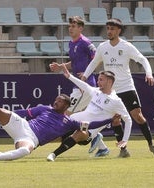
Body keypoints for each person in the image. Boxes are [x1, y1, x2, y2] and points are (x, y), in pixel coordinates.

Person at [0, 94, 112, 162]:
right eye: (56, 99)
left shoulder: (69, 121)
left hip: (31, 139)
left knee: (26, 151)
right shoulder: (44, 108)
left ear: (66, 105)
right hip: (22, 125)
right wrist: (3, 116)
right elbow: (23, 112)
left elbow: (90, 126)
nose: (56, 101)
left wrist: (110, 118)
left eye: (60, 101)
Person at [82, 18, 154, 157]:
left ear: (119, 30)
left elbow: (142, 59)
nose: (109, 31)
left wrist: (149, 73)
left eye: (112, 29)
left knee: (138, 116)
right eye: (108, 29)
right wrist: (84, 77)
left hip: (127, 87)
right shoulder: (102, 47)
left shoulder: (126, 46)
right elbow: (94, 62)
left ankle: (151, 145)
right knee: (116, 119)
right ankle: (123, 150)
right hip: (111, 91)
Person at [46, 64, 132, 161]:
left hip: (89, 131)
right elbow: (84, 85)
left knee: (80, 133)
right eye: (98, 79)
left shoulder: (116, 101)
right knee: (52, 131)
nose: (98, 82)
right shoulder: (95, 91)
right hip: (74, 121)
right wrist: (69, 76)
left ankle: (53, 155)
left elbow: (128, 120)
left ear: (109, 81)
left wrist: (125, 140)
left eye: (101, 80)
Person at [49, 16, 108, 155]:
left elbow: (97, 59)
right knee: (83, 117)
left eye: (74, 26)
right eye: (70, 26)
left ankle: (92, 135)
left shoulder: (86, 43)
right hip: (78, 85)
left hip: (85, 87)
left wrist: (87, 73)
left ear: (81, 28)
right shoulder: (71, 43)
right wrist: (61, 66)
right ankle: (101, 145)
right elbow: (74, 62)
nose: (71, 28)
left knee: (66, 114)